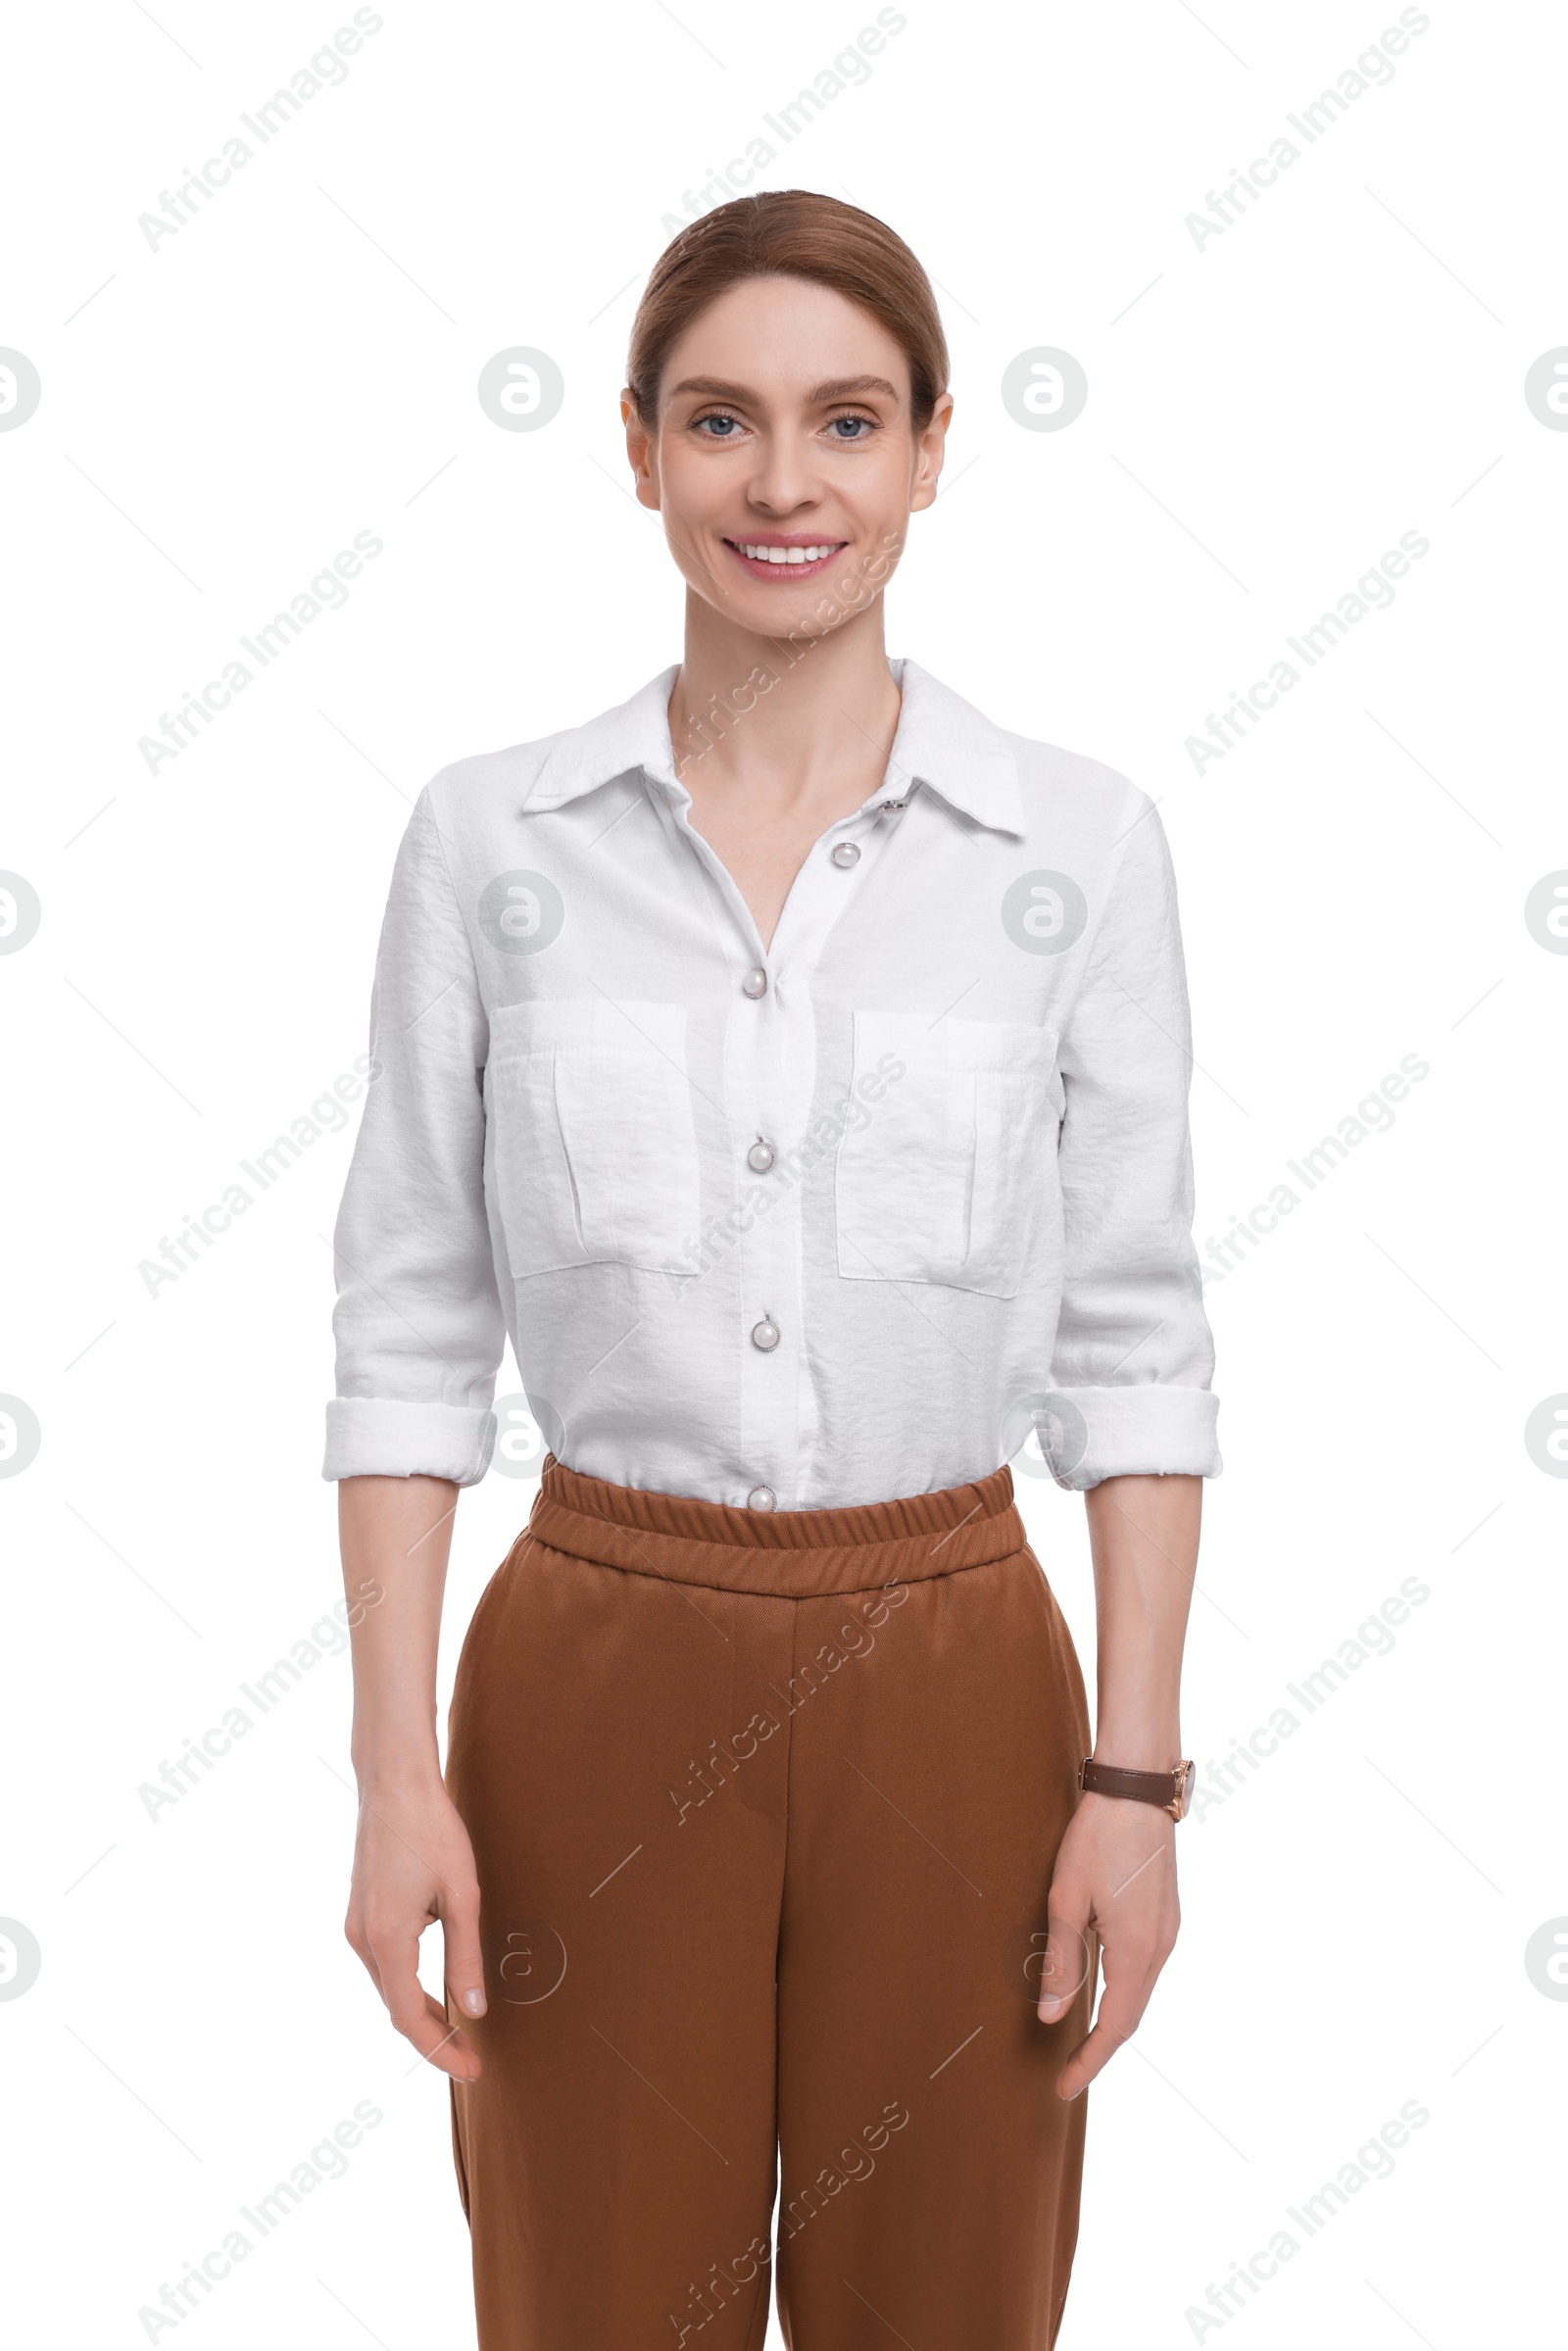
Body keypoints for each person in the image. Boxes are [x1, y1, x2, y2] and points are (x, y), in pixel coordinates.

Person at [327, 188, 1220, 2351]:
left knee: (948, 2305)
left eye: (843, 422)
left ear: (929, 453)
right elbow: (408, 1325)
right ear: (635, 450)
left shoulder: (1078, 851)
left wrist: (1129, 1789)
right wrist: (391, 1778)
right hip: (586, 1668)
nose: (782, 484)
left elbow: (1131, 1339)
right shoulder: (487, 842)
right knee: (591, 2303)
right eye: (721, 423)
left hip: (954, 1667)